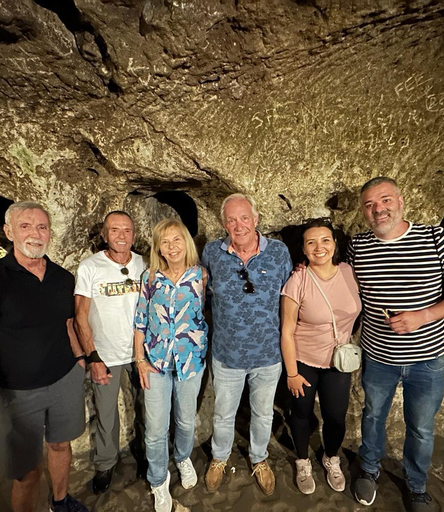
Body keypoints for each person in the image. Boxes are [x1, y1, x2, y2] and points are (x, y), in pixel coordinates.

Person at [349, 177, 444, 512]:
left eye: (385, 200)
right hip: (378, 356)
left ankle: (417, 487)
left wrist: (423, 316)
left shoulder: (436, 238)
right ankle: (369, 469)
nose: (379, 209)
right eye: (370, 204)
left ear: (400, 201)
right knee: (373, 415)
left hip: (427, 358)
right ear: (364, 211)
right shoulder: (357, 246)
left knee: (421, 428)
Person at [0, 201, 88, 512]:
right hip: (16, 393)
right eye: (26, 226)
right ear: (8, 231)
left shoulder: (61, 278)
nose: (35, 234)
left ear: (50, 233)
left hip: (63, 379)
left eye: (42, 227)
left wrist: (80, 361)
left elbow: (69, 323)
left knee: (60, 444)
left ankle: (60, 500)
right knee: (26, 474)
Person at [201, 193, 292, 496]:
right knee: (223, 413)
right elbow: (202, 290)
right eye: (231, 219)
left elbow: (292, 293)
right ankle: (219, 457)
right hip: (227, 353)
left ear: (255, 219)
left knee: (263, 413)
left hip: (268, 353)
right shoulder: (212, 252)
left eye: (244, 218)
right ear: (223, 223)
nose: (238, 225)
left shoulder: (279, 253)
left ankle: (259, 458)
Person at [280, 219, 362, 494]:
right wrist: (292, 372)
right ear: (303, 249)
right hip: (304, 359)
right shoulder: (298, 280)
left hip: (338, 361)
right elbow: (287, 330)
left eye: (325, 240)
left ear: (335, 244)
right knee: (301, 413)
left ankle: (331, 457)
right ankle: (303, 461)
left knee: (336, 416)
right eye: (311, 242)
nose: (319, 247)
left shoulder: (349, 272)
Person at [133, 218, 209, 512]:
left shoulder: (201, 275)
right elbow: (140, 321)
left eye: (177, 239)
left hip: (190, 360)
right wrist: (140, 359)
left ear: (186, 242)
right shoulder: (150, 278)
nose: (171, 246)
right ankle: (158, 480)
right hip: (155, 362)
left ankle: (182, 457)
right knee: (154, 427)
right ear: (158, 248)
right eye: (165, 242)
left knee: (186, 420)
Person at [74, 211, 146, 494]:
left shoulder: (145, 264)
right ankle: (106, 464)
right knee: (105, 414)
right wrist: (92, 356)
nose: (121, 236)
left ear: (134, 235)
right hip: (105, 355)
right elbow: (81, 315)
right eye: (114, 230)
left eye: (127, 230)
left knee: (146, 409)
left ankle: (145, 455)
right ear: (104, 235)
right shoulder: (90, 267)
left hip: (141, 353)